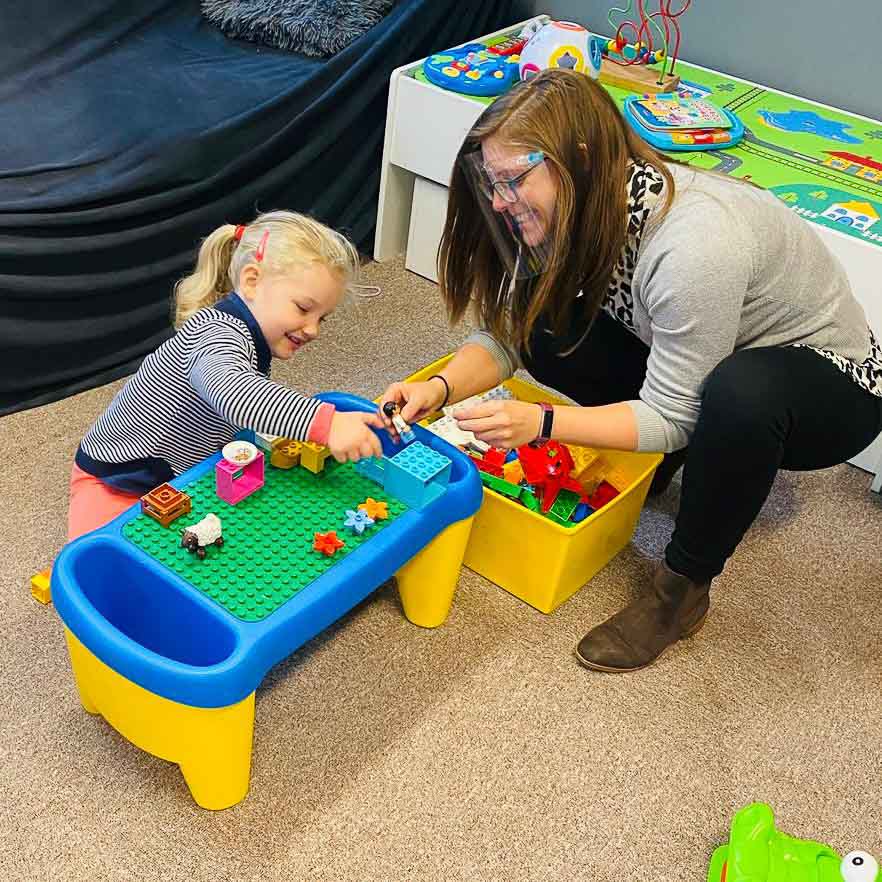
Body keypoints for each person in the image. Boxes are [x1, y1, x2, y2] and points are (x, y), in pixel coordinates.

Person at [380, 69, 882, 673]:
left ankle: (682, 593)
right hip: (708, 353)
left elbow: (675, 414)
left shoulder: (692, 244)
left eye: (513, 181)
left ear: (581, 161)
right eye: (492, 182)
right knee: (549, 321)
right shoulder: (574, 209)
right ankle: (659, 464)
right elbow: (511, 334)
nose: (497, 201)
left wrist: (541, 424)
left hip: (835, 385)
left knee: (739, 398)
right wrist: (434, 387)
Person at [69, 210, 383, 541]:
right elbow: (235, 393)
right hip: (120, 479)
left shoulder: (246, 332)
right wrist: (327, 424)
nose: (313, 329)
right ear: (251, 281)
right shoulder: (219, 333)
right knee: (101, 569)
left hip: (179, 471)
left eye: (323, 318)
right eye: (304, 309)